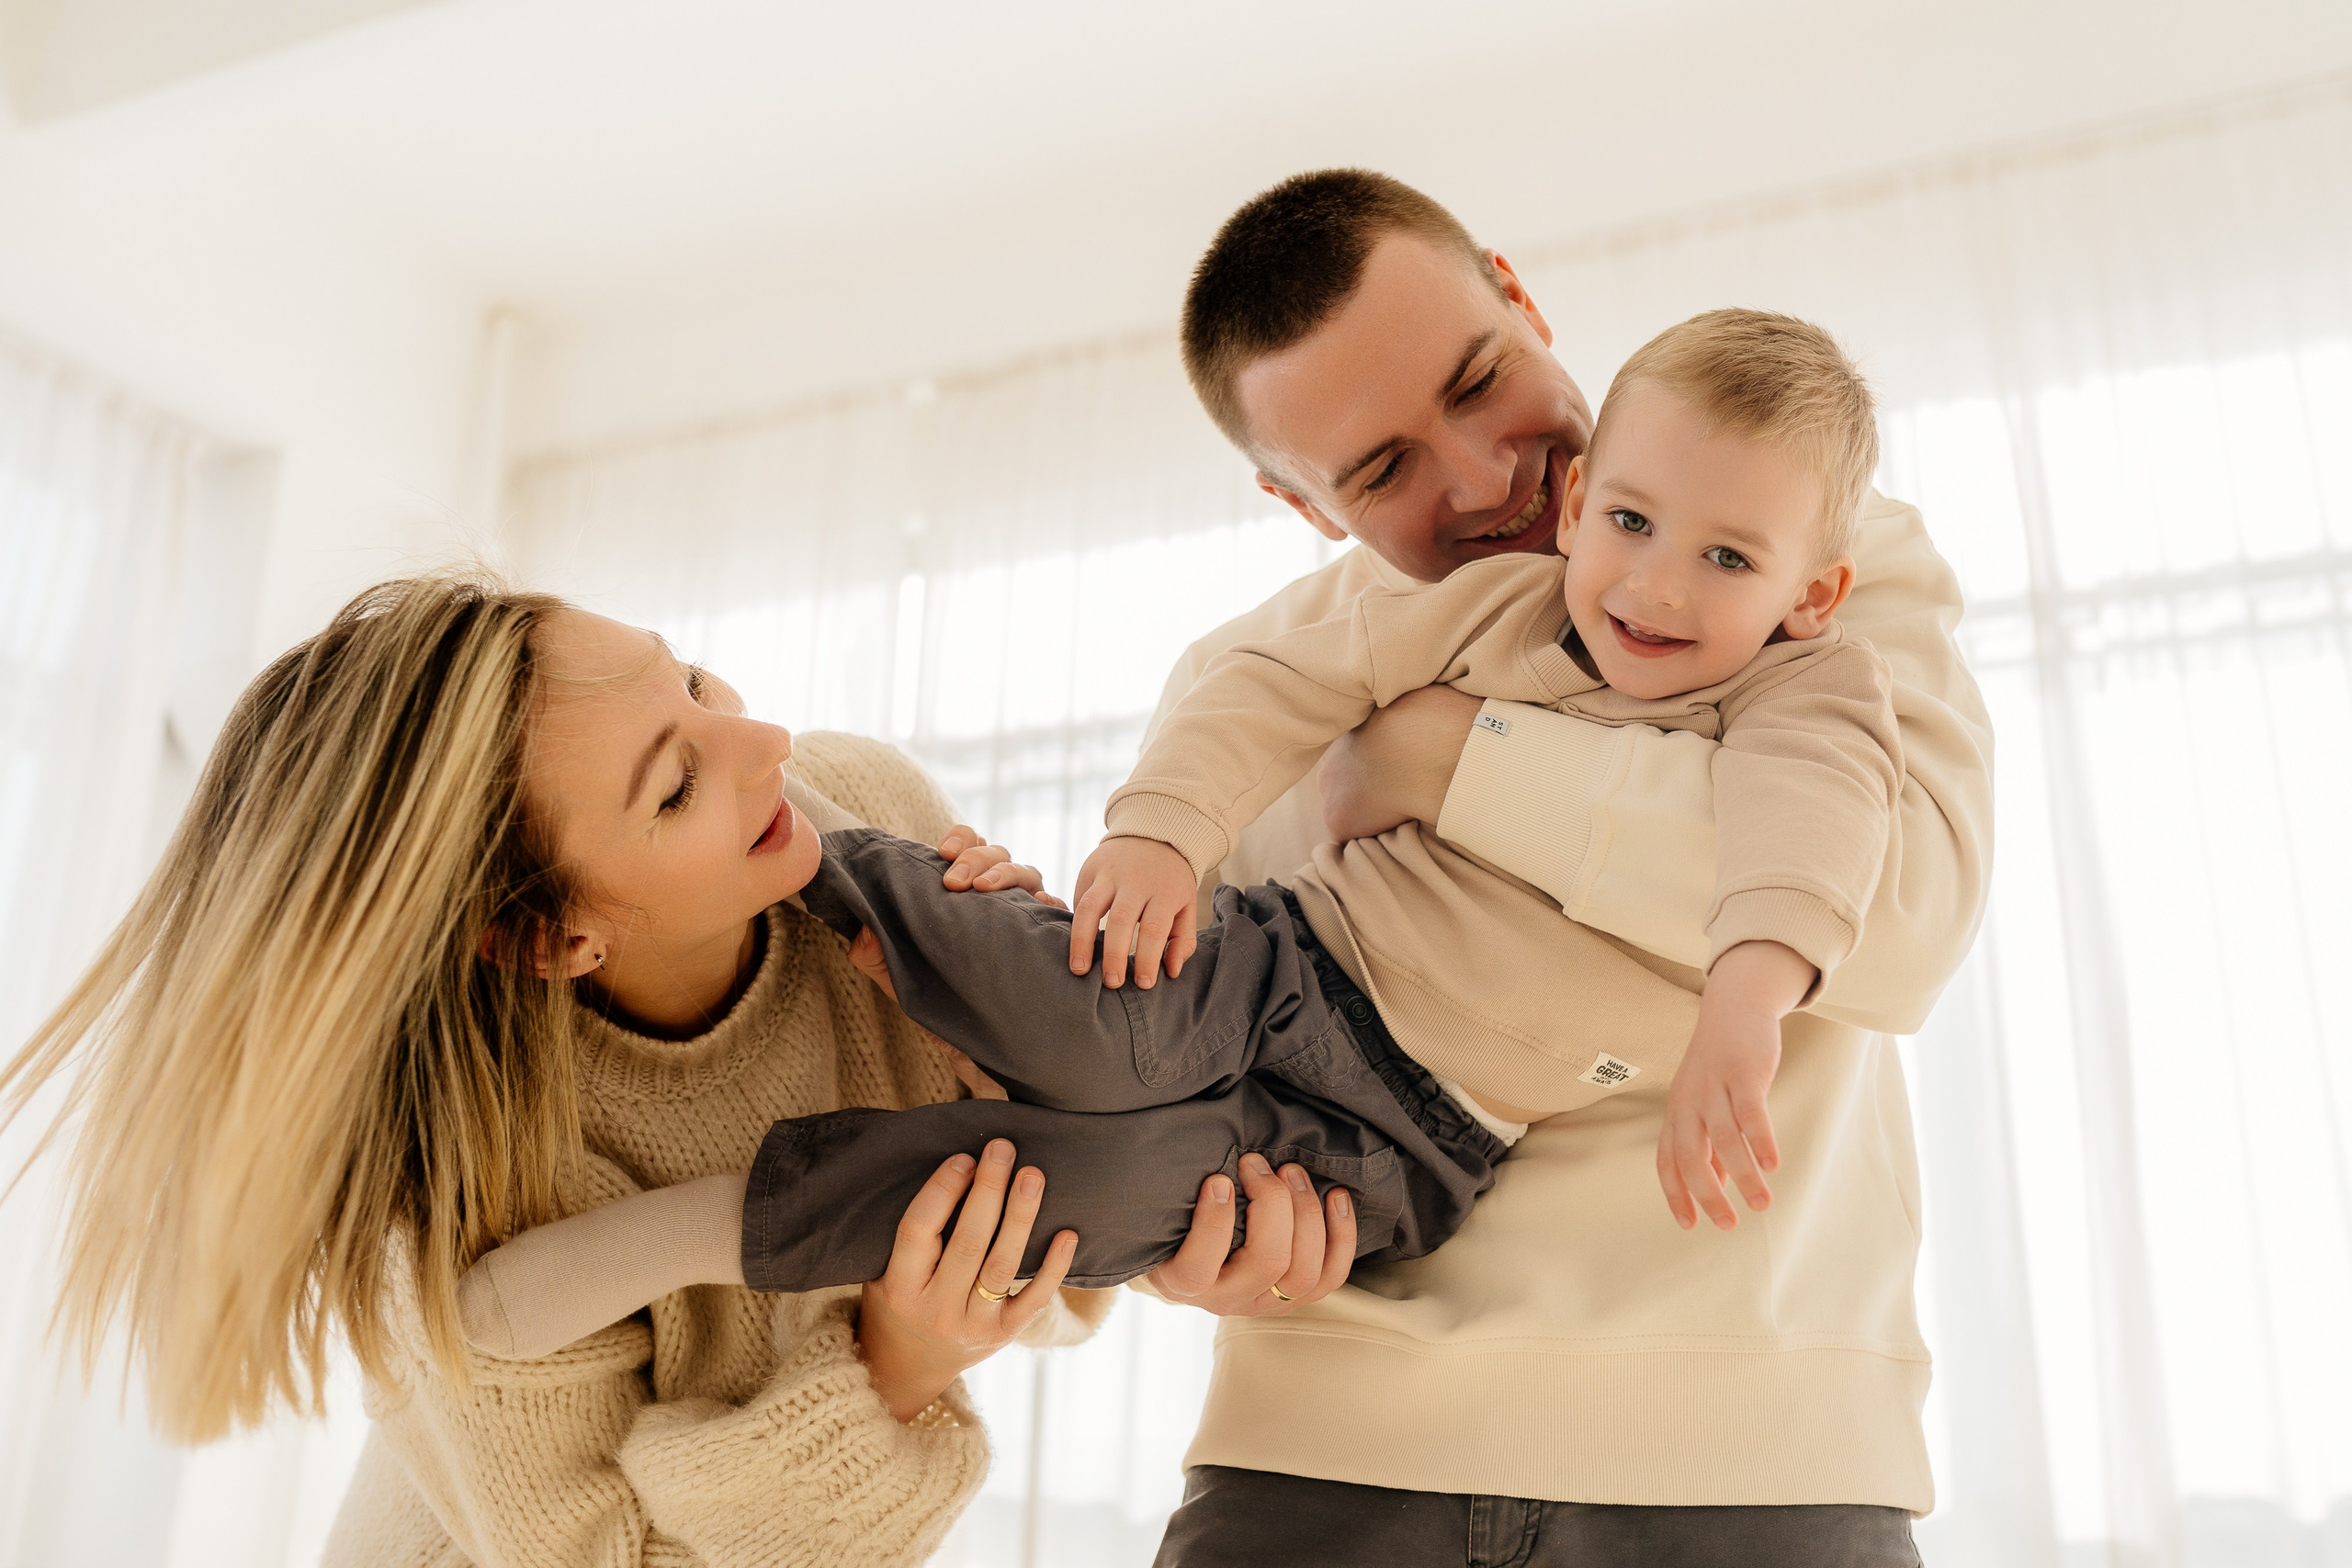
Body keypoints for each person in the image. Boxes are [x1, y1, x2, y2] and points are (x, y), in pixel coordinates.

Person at [453, 305, 1895, 1362]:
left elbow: (1815, 837)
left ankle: (714, 1231)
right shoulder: (1497, 606)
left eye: (1726, 559)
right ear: (1582, 507)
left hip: (1416, 1141)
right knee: (1075, 1001)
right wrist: (1159, 832)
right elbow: (1280, 686)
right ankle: (820, 843)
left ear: (1814, 593)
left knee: (1070, 1201)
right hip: (1298, 965)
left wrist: (1744, 1012)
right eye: (1631, 523)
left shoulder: (1817, 686)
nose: (1653, 588)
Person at [0, 574, 1321, 1568]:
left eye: (692, 680)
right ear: (552, 937)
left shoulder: (847, 814)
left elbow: (1022, 1229)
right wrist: (895, 1367)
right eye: (676, 785)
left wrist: (1095, 1158)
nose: (767, 747)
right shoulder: (457, 1202)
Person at [1148, 170, 1991, 1566]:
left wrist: (1441, 768)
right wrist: (1197, 1234)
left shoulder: (1818, 549)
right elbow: (1184, 1049)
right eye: (1382, 470)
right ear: (1296, 502)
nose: (1485, 478)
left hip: (1753, 1462)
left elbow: (1903, 921)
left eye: (1481, 380)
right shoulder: (1240, 692)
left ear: (1520, 296)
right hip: (1317, 1459)